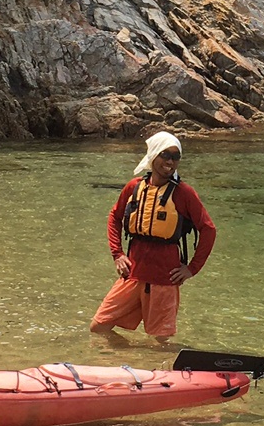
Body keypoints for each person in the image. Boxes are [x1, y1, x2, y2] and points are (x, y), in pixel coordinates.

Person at [89, 131, 216, 344]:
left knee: (161, 342)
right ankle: (132, 360)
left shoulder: (184, 193)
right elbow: (115, 216)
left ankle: (159, 371)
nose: (170, 161)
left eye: (176, 157)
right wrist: (117, 254)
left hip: (164, 280)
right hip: (133, 274)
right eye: (166, 155)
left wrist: (192, 268)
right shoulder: (134, 187)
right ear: (153, 155)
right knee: (99, 326)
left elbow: (208, 230)